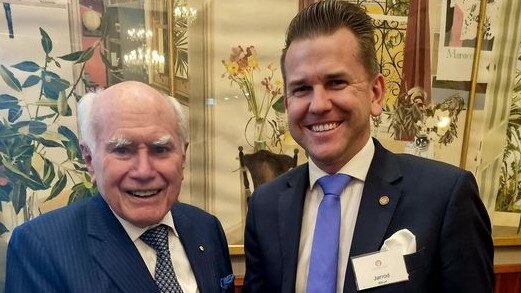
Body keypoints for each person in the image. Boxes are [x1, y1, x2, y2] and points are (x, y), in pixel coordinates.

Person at [243, 1, 494, 292]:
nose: (318, 105)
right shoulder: (266, 206)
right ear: (288, 104)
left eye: (336, 82)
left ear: (375, 93)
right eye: (301, 89)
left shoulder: (445, 196)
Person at [6, 81, 235, 293]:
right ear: (89, 160)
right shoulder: (40, 248)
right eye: (122, 150)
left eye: (160, 149)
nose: (144, 171)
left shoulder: (207, 228)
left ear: (183, 157)